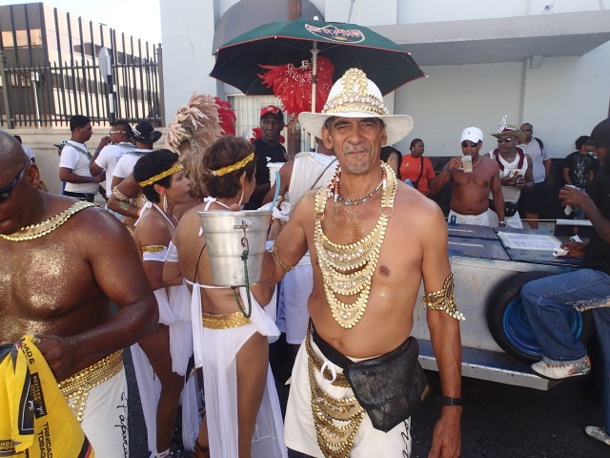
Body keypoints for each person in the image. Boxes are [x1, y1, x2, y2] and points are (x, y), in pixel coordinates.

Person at [260, 68, 462, 458]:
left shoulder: (423, 215)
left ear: (383, 135)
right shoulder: (310, 208)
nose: (355, 136)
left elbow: (442, 312)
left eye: (367, 124)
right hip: (313, 375)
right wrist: (237, 240)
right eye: (342, 125)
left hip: (384, 389)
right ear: (328, 136)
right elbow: (271, 272)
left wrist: (451, 412)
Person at [0, 130, 158, 456]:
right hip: (7, 395)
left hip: (85, 390)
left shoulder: (93, 228)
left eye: (1, 195)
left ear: (31, 175)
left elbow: (143, 308)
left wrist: (76, 348)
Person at [165, 136, 286, 458]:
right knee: (241, 433)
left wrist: (203, 282)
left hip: (205, 333)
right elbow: (259, 296)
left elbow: (169, 275)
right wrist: (271, 241)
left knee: (217, 412)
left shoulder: (188, 218)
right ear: (246, 178)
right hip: (241, 334)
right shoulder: (239, 227)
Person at [520, 117, 610, 449]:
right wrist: (587, 247)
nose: (596, 152)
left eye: (601, 147)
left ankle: (569, 357)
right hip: (601, 266)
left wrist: (585, 202)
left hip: (605, 279)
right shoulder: (606, 173)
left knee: (537, 295)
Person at [131, 150, 193, 458]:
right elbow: (153, 279)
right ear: (160, 187)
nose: (187, 182)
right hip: (155, 315)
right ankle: (162, 452)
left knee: (175, 381)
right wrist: (196, 271)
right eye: (180, 178)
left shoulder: (165, 215)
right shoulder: (155, 223)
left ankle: (168, 437)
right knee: (172, 382)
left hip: (164, 311)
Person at [262, 138, 337, 374]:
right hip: (330, 254)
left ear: (317, 137)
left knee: (295, 325)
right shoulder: (345, 170)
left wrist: (285, 210)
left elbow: (268, 202)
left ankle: (297, 379)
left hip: (294, 253)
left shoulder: (292, 166)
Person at [429, 127, 505, 226]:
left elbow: (497, 194)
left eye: (473, 145)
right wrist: (447, 169)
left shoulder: (491, 165)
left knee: (482, 242)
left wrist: (501, 221)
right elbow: (434, 190)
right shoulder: (453, 165)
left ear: (480, 145)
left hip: (481, 218)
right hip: (457, 217)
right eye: (465, 144)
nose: (468, 148)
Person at [107, 120, 162, 228]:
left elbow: (115, 189)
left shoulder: (126, 159)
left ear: (134, 139)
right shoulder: (162, 159)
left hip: (134, 215)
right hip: (161, 214)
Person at [487, 125, 534, 229]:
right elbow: (480, 185)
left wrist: (524, 185)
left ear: (516, 141)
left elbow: (531, 182)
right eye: (500, 141)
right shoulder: (489, 158)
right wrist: (500, 182)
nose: (502, 143)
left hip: (512, 210)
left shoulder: (526, 159)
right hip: (491, 210)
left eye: (507, 140)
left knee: (517, 240)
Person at [244, 105, 288, 210]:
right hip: (255, 210)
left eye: (274, 122)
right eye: (266, 122)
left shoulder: (281, 150)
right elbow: (245, 187)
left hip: (276, 210)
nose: (270, 127)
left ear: (281, 125)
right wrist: (276, 184)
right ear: (260, 125)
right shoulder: (252, 149)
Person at [58, 115, 109, 202]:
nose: (91, 132)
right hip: (77, 198)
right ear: (78, 129)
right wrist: (92, 179)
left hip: (85, 197)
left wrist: (102, 191)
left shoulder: (81, 147)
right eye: (88, 129)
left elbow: (85, 172)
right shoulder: (70, 149)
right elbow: (64, 175)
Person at [517, 123, 551, 228]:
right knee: (515, 207)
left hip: (537, 183)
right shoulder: (515, 144)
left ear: (532, 131)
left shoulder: (539, 143)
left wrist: (545, 177)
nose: (525, 132)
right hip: (519, 182)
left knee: (533, 208)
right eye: (523, 130)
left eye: (528, 130)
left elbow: (547, 161)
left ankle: (535, 232)